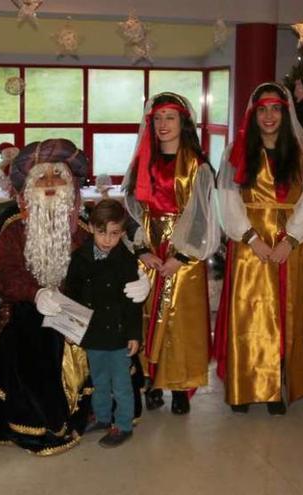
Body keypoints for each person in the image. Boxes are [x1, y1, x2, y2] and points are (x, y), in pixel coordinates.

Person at [0, 139, 149, 455]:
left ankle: (104, 414)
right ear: (28, 186)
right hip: (33, 309)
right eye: (41, 177)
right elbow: (3, 274)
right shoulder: (14, 228)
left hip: (87, 308)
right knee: (34, 340)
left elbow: (123, 245)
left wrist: (139, 279)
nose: (48, 184)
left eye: (57, 176)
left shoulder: (89, 224)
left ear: (71, 184)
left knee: (110, 327)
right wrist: (36, 292)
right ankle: (47, 420)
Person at [214, 82, 303, 414]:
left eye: (275, 109)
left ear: (285, 114)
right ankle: (245, 387)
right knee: (249, 318)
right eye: (262, 109)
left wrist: (290, 240)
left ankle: (276, 388)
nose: (269, 116)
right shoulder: (237, 151)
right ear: (253, 114)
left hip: (292, 246)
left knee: (287, 316)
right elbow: (227, 200)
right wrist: (252, 240)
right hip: (250, 246)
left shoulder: (302, 154)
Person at [124, 92, 221, 415]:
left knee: (181, 320)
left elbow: (203, 216)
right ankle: (152, 380)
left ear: (184, 123)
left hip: (185, 253)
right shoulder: (143, 161)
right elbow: (132, 210)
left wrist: (180, 257)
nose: (163, 125)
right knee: (148, 314)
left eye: (171, 118)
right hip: (151, 248)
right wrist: (142, 250)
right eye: (158, 118)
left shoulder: (197, 164)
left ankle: (180, 384)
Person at [64, 199, 142, 448]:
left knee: (121, 383)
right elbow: (72, 294)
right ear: (91, 228)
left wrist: (133, 334)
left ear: (121, 232)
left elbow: (133, 304)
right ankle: (102, 416)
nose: (108, 240)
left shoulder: (127, 261)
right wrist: (71, 326)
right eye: (102, 233)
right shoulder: (79, 258)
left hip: (118, 334)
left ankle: (124, 424)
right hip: (93, 332)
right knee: (98, 380)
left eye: (114, 234)